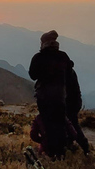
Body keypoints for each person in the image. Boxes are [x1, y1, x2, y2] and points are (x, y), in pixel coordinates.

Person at [28, 30, 73, 159]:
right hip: (59, 97)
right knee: (60, 124)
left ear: (44, 43)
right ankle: (60, 153)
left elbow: (32, 75)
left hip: (44, 97)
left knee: (47, 124)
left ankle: (50, 152)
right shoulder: (63, 56)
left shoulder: (38, 57)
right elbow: (69, 76)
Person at [66, 67, 90, 154]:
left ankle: (84, 147)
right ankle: (74, 144)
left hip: (70, 102)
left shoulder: (61, 70)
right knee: (72, 124)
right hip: (75, 101)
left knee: (72, 125)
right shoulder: (69, 70)